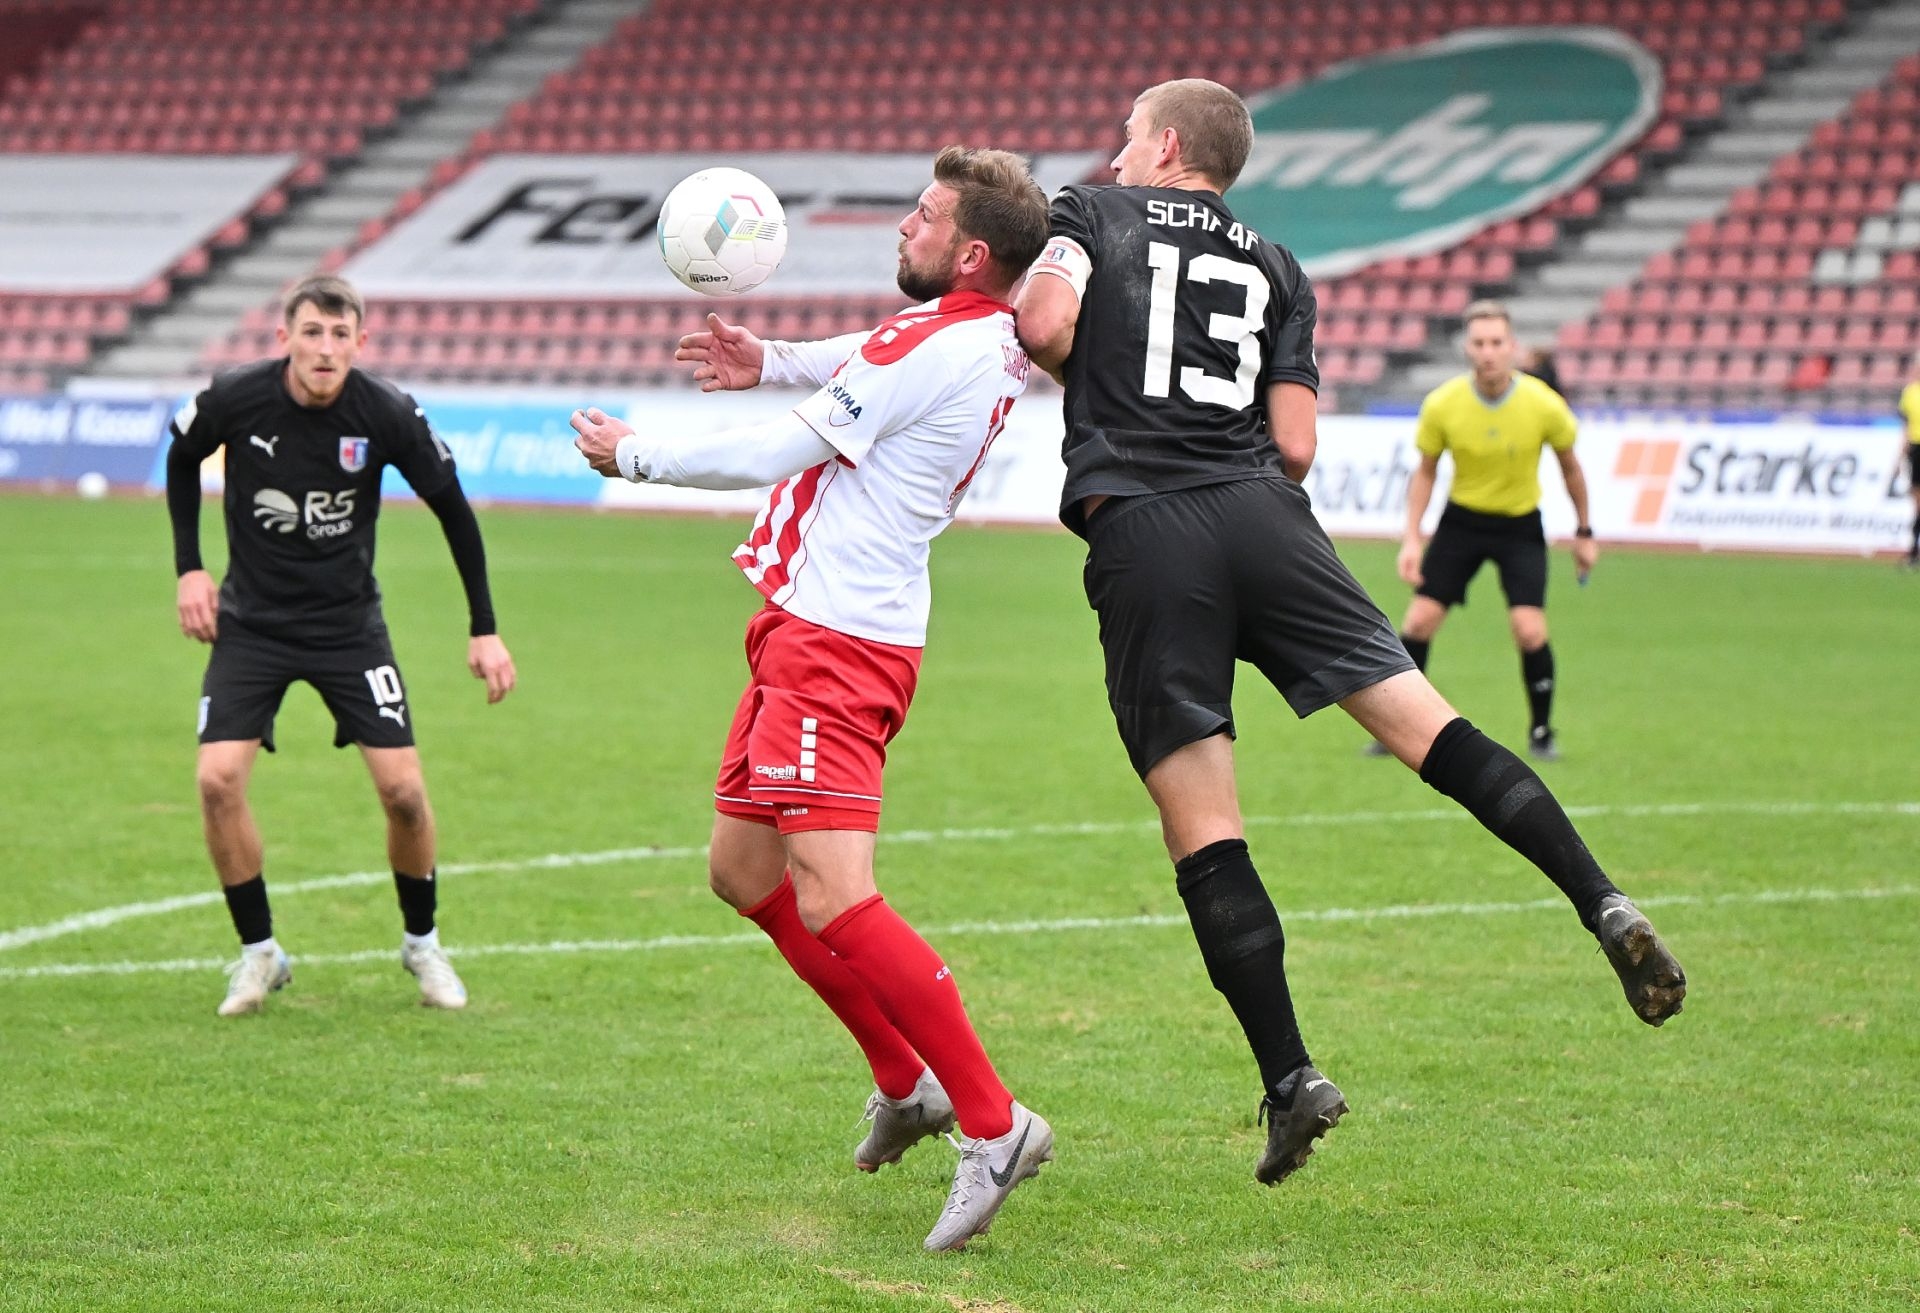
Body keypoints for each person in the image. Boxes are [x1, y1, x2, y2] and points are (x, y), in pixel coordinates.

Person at [1014, 79, 1685, 1188]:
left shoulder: (1091, 211)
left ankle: (1292, 1077)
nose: (1117, 154)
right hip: (1265, 516)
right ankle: (1600, 897)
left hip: (1146, 526)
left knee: (1206, 827)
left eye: (1129, 137)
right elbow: (1296, 443)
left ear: (1166, 144)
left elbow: (1043, 323)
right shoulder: (1279, 265)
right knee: (1434, 727)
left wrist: (1100, 380)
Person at [570, 146, 1054, 1253]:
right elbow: (865, 355)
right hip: (811, 630)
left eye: (924, 215)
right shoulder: (966, 334)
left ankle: (995, 1122)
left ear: (970, 252)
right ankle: (906, 1080)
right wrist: (773, 356)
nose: (905, 226)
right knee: (743, 871)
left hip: (839, 646)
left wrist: (637, 457)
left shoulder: (939, 342)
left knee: (838, 896)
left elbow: (786, 445)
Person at [167, 274, 516, 1017]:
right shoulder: (236, 397)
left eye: (338, 334)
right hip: (252, 626)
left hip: (348, 629)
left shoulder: (386, 412)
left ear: (360, 341)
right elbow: (179, 454)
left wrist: (483, 626)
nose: (325, 349)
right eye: (311, 332)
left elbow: (454, 510)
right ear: (284, 338)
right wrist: (189, 567)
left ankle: (422, 943)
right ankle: (260, 954)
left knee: (405, 793)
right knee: (216, 781)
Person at [1390, 302, 1596, 761]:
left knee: (1529, 630)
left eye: (1496, 343)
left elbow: (1571, 469)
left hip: (1519, 526)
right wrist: (1412, 537)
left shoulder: (1544, 404)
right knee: (1418, 622)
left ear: (1512, 347)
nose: (1488, 352)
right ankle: (1400, 730)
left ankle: (1541, 732)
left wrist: (1584, 532)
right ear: (1467, 348)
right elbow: (1425, 472)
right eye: (1479, 343)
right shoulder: (1443, 404)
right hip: (1461, 522)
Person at [1900, 368, 1919, 567]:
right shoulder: (1910, 393)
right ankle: (1913, 551)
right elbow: (1905, 427)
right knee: (1917, 504)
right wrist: (1901, 456)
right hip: (1916, 448)